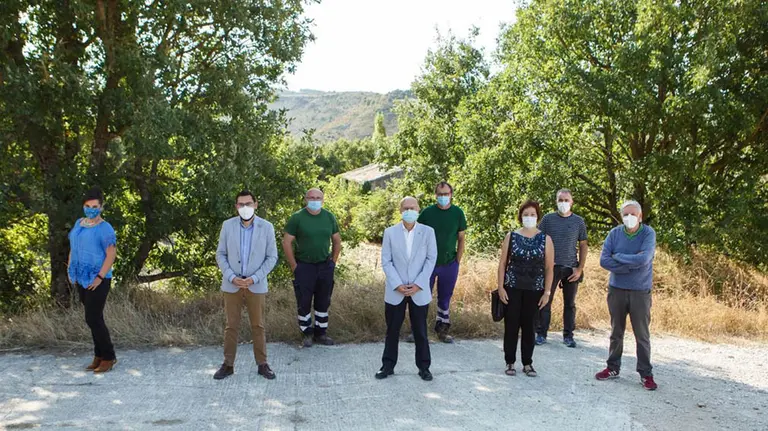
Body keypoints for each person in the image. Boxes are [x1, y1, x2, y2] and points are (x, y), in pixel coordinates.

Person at [213, 190, 278, 380]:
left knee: (258, 325)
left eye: (248, 203)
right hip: (232, 284)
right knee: (231, 326)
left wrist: (255, 278)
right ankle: (228, 364)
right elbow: (221, 254)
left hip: (255, 285)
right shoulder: (228, 226)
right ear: (236, 207)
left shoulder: (266, 227)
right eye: (241, 204)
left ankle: (262, 364)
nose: (245, 208)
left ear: (256, 205)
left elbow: (272, 256)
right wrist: (231, 276)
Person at [596, 200, 658, 391]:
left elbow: (644, 258)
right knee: (616, 332)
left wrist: (619, 257)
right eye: (626, 214)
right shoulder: (614, 234)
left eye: (633, 214)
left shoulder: (648, 233)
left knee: (642, 334)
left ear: (640, 216)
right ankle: (612, 367)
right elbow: (604, 260)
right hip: (617, 290)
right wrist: (630, 264)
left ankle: (646, 373)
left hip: (640, 292)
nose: (629, 218)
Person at [377, 197, 437, 381]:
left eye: (413, 207)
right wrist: (398, 284)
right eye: (406, 208)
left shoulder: (428, 232)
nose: (409, 210)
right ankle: (387, 366)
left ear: (418, 209)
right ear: (400, 210)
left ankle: (424, 367)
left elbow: (431, 259)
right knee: (392, 330)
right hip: (397, 290)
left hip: (419, 290)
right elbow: (386, 260)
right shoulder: (390, 232)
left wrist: (419, 284)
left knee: (420, 330)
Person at [497, 200, 554, 377]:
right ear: (520, 216)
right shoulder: (511, 237)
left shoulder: (546, 239)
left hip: (535, 290)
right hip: (512, 287)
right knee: (511, 325)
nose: (529, 217)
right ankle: (510, 362)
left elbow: (549, 268)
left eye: (533, 214)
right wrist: (500, 287)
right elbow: (502, 263)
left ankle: (527, 363)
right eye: (526, 214)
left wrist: (547, 292)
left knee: (530, 327)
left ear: (538, 216)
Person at [282, 188, 342, 347]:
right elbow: (286, 242)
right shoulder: (297, 218)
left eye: (318, 198)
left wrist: (333, 262)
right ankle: (306, 333)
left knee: (323, 301)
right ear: (305, 199)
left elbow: (337, 241)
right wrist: (294, 266)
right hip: (304, 266)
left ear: (323, 200)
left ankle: (321, 333)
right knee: (304, 300)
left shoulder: (329, 217)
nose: (315, 200)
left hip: (324, 266)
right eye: (311, 197)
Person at [67, 187, 118, 373]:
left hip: (98, 279)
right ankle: (98, 355)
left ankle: (109, 357)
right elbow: (73, 246)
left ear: (101, 207)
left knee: (93, 318)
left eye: (95, 206)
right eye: (88, 206)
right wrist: (70, 268)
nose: (91, 209)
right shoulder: (79, 223)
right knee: (92, 319)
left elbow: (111, 254)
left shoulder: (105, 228)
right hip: (81, 277)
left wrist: (99, 277)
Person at [413, 181, 466, 344]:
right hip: (427, 263)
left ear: (451, 195)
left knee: (445, 298)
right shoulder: (428, 213)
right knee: (422, 297)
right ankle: (418, 332)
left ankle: (442, 330)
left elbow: (461, 238)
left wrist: (458, 259)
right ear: (435, 195)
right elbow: (416, 234)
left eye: (446, 194)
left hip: (449, 264)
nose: (443, 197)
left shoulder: (457, 213)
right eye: (440, 194)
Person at [536, 189, 588, 348]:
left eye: (566, 200)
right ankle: (541, 334)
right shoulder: (547, 219)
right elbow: (538, 239)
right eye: (560, 200)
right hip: (550, 267)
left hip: (571, 267)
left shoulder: (578, 221)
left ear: (572, 202)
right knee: (545, 300)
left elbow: (583, 244)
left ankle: (568, 336)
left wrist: (579, 268)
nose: (563, 203)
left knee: (570, 304)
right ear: (556, 201)